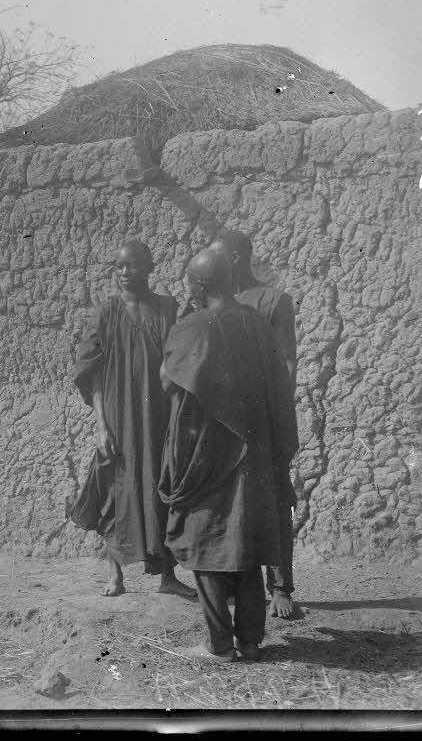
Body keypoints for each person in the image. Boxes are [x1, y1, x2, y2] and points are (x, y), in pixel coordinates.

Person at [158, 249, 299, 662]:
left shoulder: (193, 327)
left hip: (207, 454)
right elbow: (279, 385)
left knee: (207, 542)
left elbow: (167, 381)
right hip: (254, 455)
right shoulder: (257, 323)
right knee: (245, 542)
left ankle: (220, 646)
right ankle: (251, 642)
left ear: (198, 286)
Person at [69, 241, 197, 600]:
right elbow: (92, 372)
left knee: (161, 486)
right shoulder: (108, 312)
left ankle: (167, 576)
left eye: (133, 265)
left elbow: (180, 357)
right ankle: (115, 574)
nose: (125, 272)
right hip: (119, 417)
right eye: (120, 266)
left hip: (159, 416)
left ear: (149, 267)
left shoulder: (167, 308)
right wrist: (101, 426)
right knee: (116, 490)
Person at [209, 230, 301, 620]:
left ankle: (280, 587)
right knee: (230, 501)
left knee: (275, 498)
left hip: (263, 421)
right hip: (226, 422)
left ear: (232, 259)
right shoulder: (211, 301)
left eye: (215, 257)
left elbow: (287, 362)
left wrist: (275, 415)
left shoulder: (272, 300)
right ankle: (235, 584)